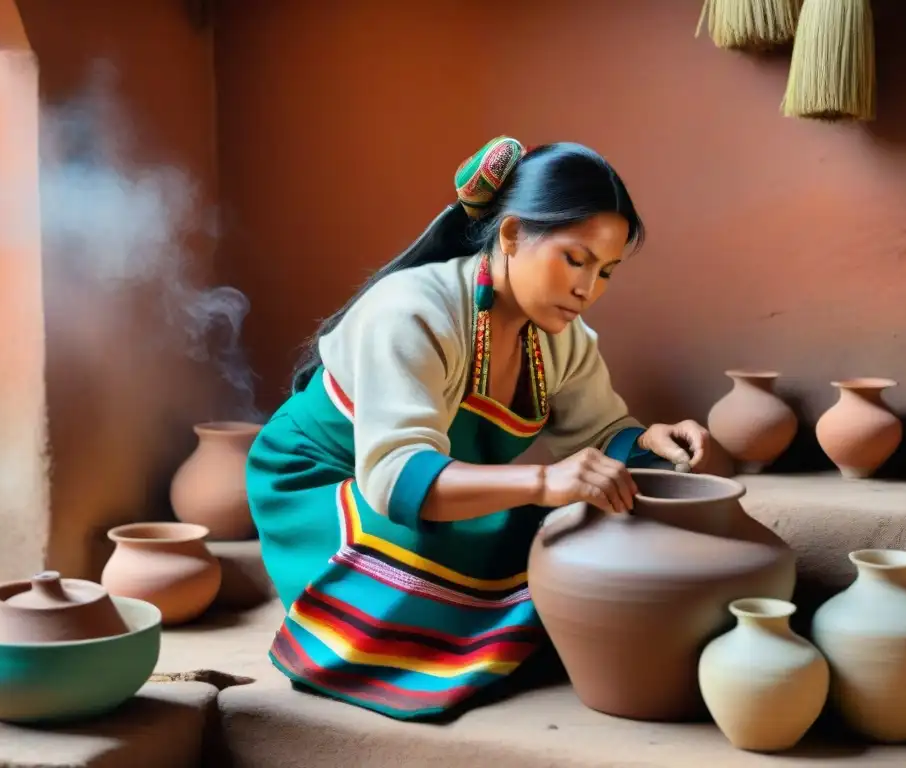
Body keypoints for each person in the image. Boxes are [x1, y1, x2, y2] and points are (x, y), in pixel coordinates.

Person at [246, 137, 712, 721]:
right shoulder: (413, 312)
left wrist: (648, 442)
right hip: (328, 484)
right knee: (443, 554)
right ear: (512, 234)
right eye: (575, 259)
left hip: (422, 491)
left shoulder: (563, 339)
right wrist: (545, 482)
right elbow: (395, 482)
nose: (587, 289)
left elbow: (601, 432)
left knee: (559, 532)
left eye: (606, 272)